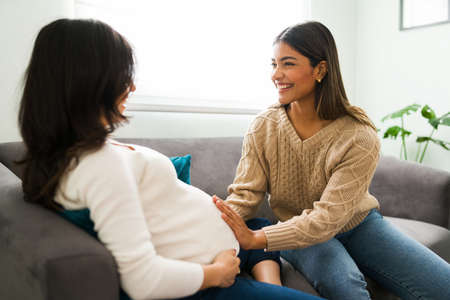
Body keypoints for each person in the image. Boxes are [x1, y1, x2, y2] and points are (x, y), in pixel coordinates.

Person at [18, 18, 323, 300]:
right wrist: (217, 273)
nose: (132, 86)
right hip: (207, 282)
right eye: (122, 75)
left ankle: (270, 287)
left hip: (225, 249)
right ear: (88, 81)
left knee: (256, 223)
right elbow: (142, 280)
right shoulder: (98, 165)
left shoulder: (82, 150)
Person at [214, 21, 450, 300]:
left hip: (359, 225)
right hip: (297, 229)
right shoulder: (263, 126)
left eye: (287, 64)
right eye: (274, 64)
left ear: (320, 70)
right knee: (346, 285)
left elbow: (328, 218)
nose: (276, 74)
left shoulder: (358, 134)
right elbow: (245, 194)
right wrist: (209, 223)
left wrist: (256, 238)